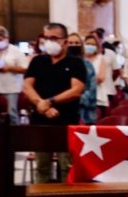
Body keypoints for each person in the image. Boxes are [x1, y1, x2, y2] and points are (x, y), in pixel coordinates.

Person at [23, 22, 86, 183]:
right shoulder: (38, 61)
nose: (49, 41)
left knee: (67, 166)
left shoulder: (76, 63)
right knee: (42, 167)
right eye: (46, 37)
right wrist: (42, 106)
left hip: (66, 121)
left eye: (54, 38)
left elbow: (76, 90)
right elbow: (27, 86)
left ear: (65, 41)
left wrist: (50, 102)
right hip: (40, 121)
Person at [0, 25, 28, 125]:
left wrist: (9, 68)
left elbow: (25, 69)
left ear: (7, 39)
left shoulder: (16, 51)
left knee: (12, 114)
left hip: (12, 89)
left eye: (0, 39)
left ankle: (15, 136)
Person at [67, 32, 97, 125]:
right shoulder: (61, 65)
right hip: (63, 111)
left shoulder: (88, 65)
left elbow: (92, 89)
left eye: (76, 43)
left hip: (85, 112)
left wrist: (77, 99)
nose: (73, 45)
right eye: (70, 43)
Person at [83, 34, 108, 119]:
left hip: (98, 97)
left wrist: (83, 81)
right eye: (88, 44)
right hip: (82, 97)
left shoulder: (101, 59)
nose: (90, 46)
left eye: (93, 44)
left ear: (97, 46)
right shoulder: (80, 59)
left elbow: (101, 78)